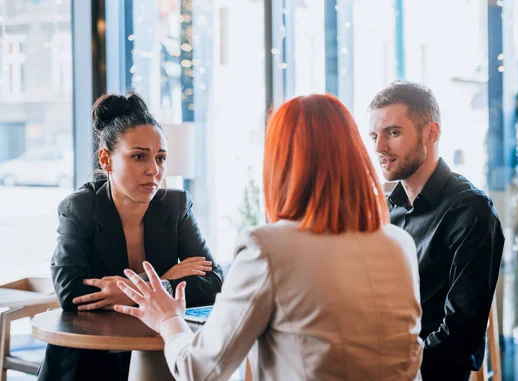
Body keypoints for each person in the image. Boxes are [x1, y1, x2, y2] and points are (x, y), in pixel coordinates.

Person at [114, 94, 423, 381]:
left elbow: (199, 370)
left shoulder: (269, 248)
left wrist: (168, 319)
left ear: (282, 163)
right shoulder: (399, 243)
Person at [38, 93, 223, 381]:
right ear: (106, 160)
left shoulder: (174, 205)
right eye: (139, 156)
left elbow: (214, 282)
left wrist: (135, 288)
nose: (154, 170)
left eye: (160, 158)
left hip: (156, 357)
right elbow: (70, 293)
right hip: (87, 362)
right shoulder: (80, 208)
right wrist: (163, 280)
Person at [368, 81, 505, 381]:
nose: (379, 147)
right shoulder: (388, 210)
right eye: (375, 136)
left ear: (431, 133)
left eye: (393, 133)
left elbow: (460, 334)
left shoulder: (471, 211)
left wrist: (397, 372)